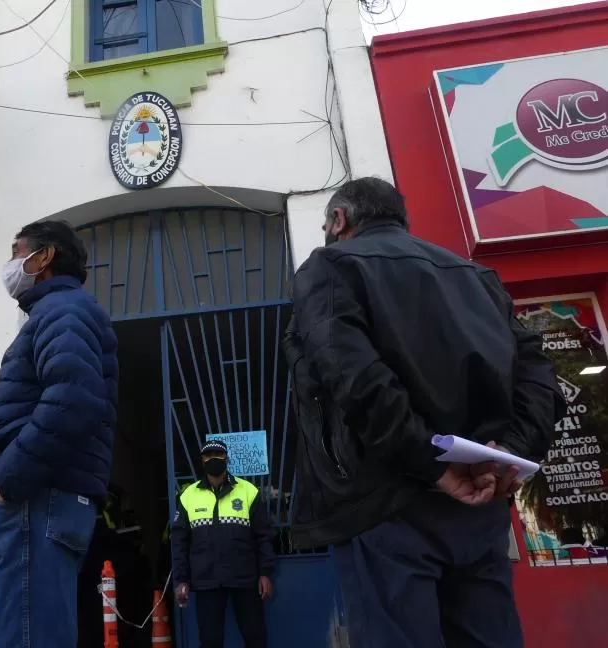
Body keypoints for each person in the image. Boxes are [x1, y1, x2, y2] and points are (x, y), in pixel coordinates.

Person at [284, 177, 565, 647]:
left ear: (339, 220)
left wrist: (428, 460)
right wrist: (511, 452)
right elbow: (539, 377)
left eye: (326, 224)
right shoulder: (478, 278)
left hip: (388, 504)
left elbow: (353, 377)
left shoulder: (329, 267)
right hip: (481, 503)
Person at [0, 220, 119, 648]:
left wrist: (9, 479)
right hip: (38, 499)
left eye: (17, 252)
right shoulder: (58, 313)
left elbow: (74, 398)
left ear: (44, 256)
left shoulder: (63, 310)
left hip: (35, 498)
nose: (12, 264)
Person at [171, 440, 274, 648]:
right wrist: (182, 579)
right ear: (202, 461)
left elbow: (263, 536)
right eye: (209, 456)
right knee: (210, 641)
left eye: (218, 454)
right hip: (207, 579)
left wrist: (265, 573)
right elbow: (179, 542)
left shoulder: (248, 491)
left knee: (256, 638)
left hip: (244, 578)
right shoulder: (188, 495)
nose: (214, 459)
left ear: (227, 459)